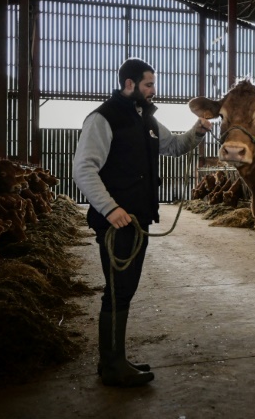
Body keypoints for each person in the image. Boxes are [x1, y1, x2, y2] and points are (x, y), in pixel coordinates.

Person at [73, 57, 211, 387]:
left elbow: (175, 147)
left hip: (138, 221)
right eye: (148, 84)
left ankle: (114, 360)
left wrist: (197, 131)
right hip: (117, 223)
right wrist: (109, 208)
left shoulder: (145, 118)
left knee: (125, 289)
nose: (153, 90)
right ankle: (112, 365)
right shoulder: (103, 118)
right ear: (130, 84)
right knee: (118, 290)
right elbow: (83, 168)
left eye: (153, 84)